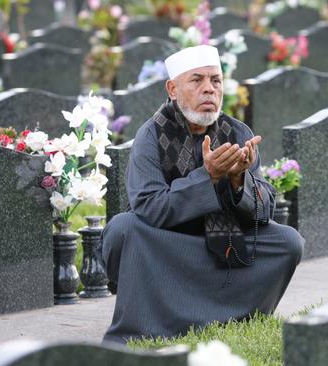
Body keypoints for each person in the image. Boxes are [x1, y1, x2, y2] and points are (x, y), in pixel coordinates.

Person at [100, 45, 304, 344]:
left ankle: (237, 316)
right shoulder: (150, 136)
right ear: (173, 89)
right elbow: (149, 207)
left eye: (216, 81)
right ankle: (149, 321)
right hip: (168, 247)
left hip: (225, 245)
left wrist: (238, 181)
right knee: (123, 229)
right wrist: (206, 177)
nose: (209, 89)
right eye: (197, 80)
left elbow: (265, 211)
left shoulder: (239, 133)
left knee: (287, 241)